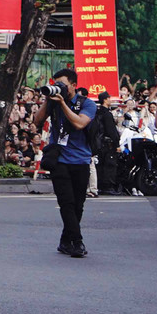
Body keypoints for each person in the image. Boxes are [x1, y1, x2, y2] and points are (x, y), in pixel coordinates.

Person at [39, 69, 96, 257]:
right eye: (57, 84)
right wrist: (49, 100)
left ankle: (65, 240)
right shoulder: (53, 103)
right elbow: (36, 120)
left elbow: (80, 123)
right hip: (59, 159)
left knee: (78, 204)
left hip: (80, 159)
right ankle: (77, 242)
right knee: (66, 203)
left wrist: (63, 104)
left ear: (73, 85)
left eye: (62, 84)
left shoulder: (86, 104)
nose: (59, 88)